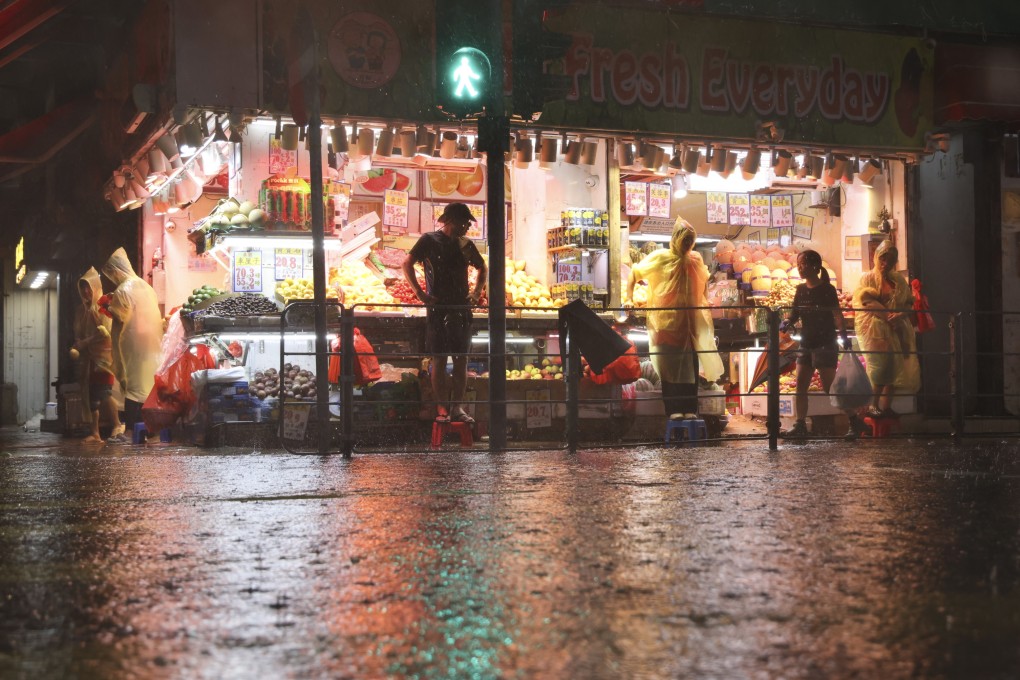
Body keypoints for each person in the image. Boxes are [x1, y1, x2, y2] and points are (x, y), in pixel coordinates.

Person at [627, 218, 724, 420]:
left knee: (690, 369)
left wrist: (704, 302)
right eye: (685, 240)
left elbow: (704, 282)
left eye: (690, 241)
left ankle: (689, 408)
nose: (687, 245)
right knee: (669, 371)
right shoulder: (661, 258)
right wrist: (629, 299)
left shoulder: (695, 260)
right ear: (675, 239)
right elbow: (634, 273)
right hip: (666, 325)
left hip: (689, 327)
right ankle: (673, 409)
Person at [402, 203, 487, 423]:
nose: (468, 226)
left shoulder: (467, 245)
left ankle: (457, 407)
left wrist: (476, 292)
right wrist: (420, 293)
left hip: (461, 309)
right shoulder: (429, 240)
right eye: (464, 222)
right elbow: (407, 263)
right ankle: (441, 408)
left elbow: (482, 268)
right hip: (437, 308)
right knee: (439, 359)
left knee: (461, 360)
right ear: (450, 221)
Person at [778, 250, 867, 439]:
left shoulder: (827, 290)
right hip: (807, 342)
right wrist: (787, 322)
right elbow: (795, 313)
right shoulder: (800, 290)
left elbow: (836, 314)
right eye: (798, 263)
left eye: (803, 264)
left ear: (814, 266)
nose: (799, 267)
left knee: (830, 387)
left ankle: (853, 420)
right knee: (800, 385)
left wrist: (843, 336)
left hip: (825, 343)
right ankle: (800, 424)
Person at [101, 247, 164, 436]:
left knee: (132, 388)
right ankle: (151, 431)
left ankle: (130, 431)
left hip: (132, 348)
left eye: (112, 274)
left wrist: (109, 306)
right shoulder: (146, 287)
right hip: (151, 348)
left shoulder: (122, 290)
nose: (113, 278)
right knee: (147, 387)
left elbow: (120, 318)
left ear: (118, 271)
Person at [852, 240, 919, 417]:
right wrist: (889, 317)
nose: (886, 263)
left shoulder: (898, 280)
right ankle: (872, 405)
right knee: (879, 368)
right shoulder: (867, 278)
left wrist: (900, 316)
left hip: (897, 330)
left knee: (895, 368)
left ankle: (886, 406)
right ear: (876, 258)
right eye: (883, 259)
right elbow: (867, 301)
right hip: (876, 331)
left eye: (890, 260)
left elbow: (908, 304)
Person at [72, 268, 125, 443]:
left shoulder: (102, 308)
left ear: (95, 287)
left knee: (104, 393)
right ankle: (95, 433)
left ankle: (117, 424)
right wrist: (79, 342)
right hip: (89, 360)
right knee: (92, 396)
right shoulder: (81, 310)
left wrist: (85, 342)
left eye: (88, 287)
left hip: (104, 359)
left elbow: (105, 333)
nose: (86, 291)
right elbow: (79, 332)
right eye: (83, 288)